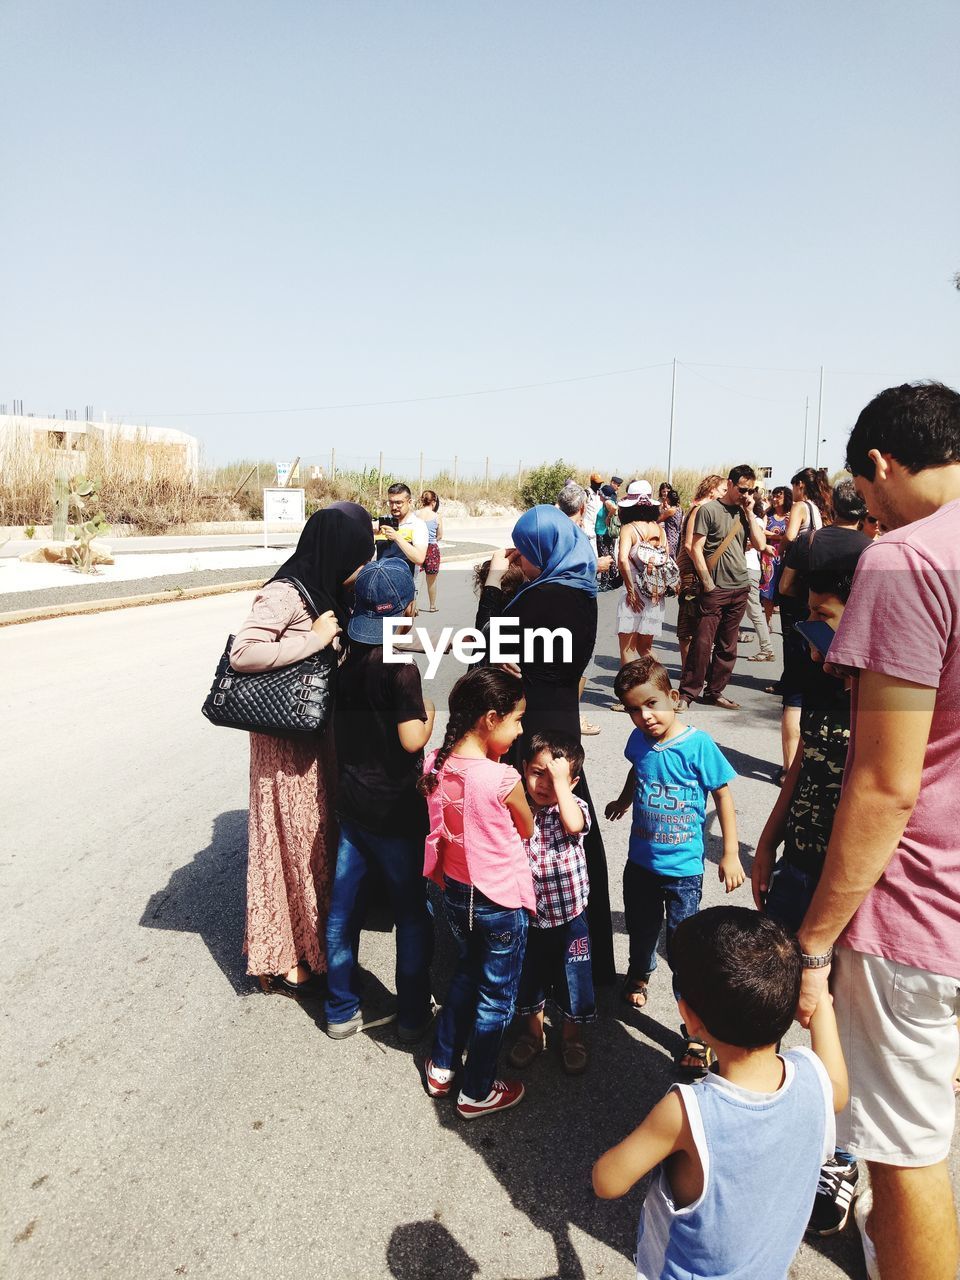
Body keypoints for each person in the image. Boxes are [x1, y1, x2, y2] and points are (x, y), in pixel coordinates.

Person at [795, 382, 960, 1280]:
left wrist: (815, 940)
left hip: (922, 906)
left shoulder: (908, 561)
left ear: (883, 465)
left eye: (864, 492)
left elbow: (887, 782)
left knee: (905, 1153)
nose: (865, 510)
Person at [593, 907, 848, 1280]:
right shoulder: (814, 1077)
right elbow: (837, 1091)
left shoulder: (687, 1111)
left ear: (690, 1019)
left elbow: (607, 1181)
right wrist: (822, 1005)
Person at [752, 544, 870, 1235]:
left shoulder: (897, 695)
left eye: (824, 617)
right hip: (798, 864)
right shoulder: (832, 680)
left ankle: (842, 1153)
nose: (811, 637)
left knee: (841, 1018)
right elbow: (801, 767)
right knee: (774, 993)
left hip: (854, 888)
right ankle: (763, 1121)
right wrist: (767, 841)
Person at [229, 503, 374, 994]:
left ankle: (312, 942)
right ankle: (281, 953)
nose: (362, 567)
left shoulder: (321, 590)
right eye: (359, 555)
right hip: (282, 747)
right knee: (286, 846)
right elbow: (244, 652)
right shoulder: (284, 594)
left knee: (313, 843)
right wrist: (313, 641)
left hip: (314, 740)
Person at [475, 506, 616, 985]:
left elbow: (483, 647)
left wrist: (495, 583)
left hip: (530, 725)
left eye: (526, 553)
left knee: (528, 831)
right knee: (573, 828)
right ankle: (586, 958)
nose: (521, 561)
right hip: (564, 721)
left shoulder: (541, 599)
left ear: (543, 550)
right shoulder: (580, 590)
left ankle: (528, 954)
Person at [605, 656, 744, 1074]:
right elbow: (638, 773)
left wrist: (730, 852)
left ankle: (697, 1035)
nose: (645, 716)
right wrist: (624, 800)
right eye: (634, 709)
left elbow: (722, 796)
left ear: (673, 697)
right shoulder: (639, 743)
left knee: (684, 950)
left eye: (652, 704)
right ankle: (639, 973)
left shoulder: (698, 745)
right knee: (641, 926)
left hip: (684, 871)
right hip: (641, 863)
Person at [324, 558, 436, 1040]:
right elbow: (412, 741)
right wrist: (429, 713)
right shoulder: (401, 669)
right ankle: (411, 1015)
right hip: (395, 811)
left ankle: (340, 1008)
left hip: (352, 806)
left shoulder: (343, 658)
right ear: (408, 610)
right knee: (411, 913)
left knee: (343, 911)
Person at [421, 667, 535, 1120]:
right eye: (518, 719)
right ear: (490, 718)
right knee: (496, 997)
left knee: (467, 974)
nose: (521, 728)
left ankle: (443, 1067)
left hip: (456, 894)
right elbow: (525, 827)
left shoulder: (436, 762)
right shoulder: (502, 778)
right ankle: (478, 1090)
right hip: (499, 902)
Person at [508, 733, 594, 1077]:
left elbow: (574, 824)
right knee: (530, 978)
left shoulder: (573, 808)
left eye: (554, 777)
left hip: (570, 916)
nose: (543, 784)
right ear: (524, 769)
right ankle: (533, 1034)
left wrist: (563, 790)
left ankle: (572, 1037)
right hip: (527, 916)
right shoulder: (518, 806)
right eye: (537, 773)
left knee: (573, 978)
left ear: (572, 782)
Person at [677, 465, 767, 712]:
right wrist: (707, 582)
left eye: (751, 490)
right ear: (730, 484)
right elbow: (695, 548)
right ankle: (687, 694)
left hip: (740, 586)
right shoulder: (709, 510)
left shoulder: (744, 512)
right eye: (742, 489)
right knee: (702, 643)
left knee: (728, 645)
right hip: (715, 588)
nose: (746, 494)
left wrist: (749, 513)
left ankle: (715, 691)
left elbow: (760, 544)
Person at [775, 467, 834, 771]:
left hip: (794, 588)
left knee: (795, 674)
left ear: (799, 486)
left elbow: (788, 535)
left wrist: (777, 541)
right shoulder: (823, 510)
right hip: (814, 594)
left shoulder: (800, 507)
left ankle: (789, 766)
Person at [613, 482, 675, 710]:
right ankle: (665, 691)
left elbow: (622, 560)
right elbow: (666, 559)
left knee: (628, 649)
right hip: (655, 592)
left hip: (635, 591)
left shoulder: (628, 529)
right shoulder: (659, 529)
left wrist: (630, 589)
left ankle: (629, 699)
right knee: (646, 648)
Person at [675, 474, 724, 671]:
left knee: (698, 624)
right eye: (722, 490)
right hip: (691, 572)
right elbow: (689, 544)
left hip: (697, 570)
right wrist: (701, 569)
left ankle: (696, 669)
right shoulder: (700, 509)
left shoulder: (707, 509)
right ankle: (690, 670)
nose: (724, 494)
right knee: (688, 625)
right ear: (712, 490)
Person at [741, 492, 777, 661]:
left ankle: (767, 648)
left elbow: (757, 542)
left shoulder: (755, 521)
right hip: (743, 568)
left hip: (748, 569)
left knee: (754, 610)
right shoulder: (741, 518)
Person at [376, 482, 428, 578]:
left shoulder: (417, 525)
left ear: (410, 502)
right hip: (380, 583)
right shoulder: (382, 522)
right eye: (391, 502)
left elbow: (419, 558)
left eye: (399, 503)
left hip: (405, 585)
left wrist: (397, 537)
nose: (394, 507)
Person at [759, 484, 792, 628]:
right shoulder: (768, 515)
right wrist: (778, 536)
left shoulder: (790, 515)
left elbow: (792, 534)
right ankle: (767, 621)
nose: (775, 498)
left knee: (783, 589)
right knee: (768, 588)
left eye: (779, 496)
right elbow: (761, 531)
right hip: (769, 558)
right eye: (774, 495)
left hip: (785, 557)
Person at [415, 489, 443, 612]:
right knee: (431, 579)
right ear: (434, 501)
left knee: (415, 578)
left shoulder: (415, 514)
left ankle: (413, 607)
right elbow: (440, 535)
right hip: (432, 549)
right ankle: (432, 606)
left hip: (417, 546)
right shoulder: (437, 517)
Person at [595, 475, 623, 591]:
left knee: (604, 556)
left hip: (603, 532)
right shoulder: (610, 500)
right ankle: (612, 577)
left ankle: (604, 582)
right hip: (607, 533)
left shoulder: (607, 502)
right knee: (610, 554)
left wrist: (608, 517)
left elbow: (614, 508)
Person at [656, 482, 683, 558]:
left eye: (667, 492)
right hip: (675, 536)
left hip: (670, 537)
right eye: (664, 491)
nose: (665, 494)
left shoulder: (671, 510)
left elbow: (658, 520)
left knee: (668, 558)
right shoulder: (678, 508)